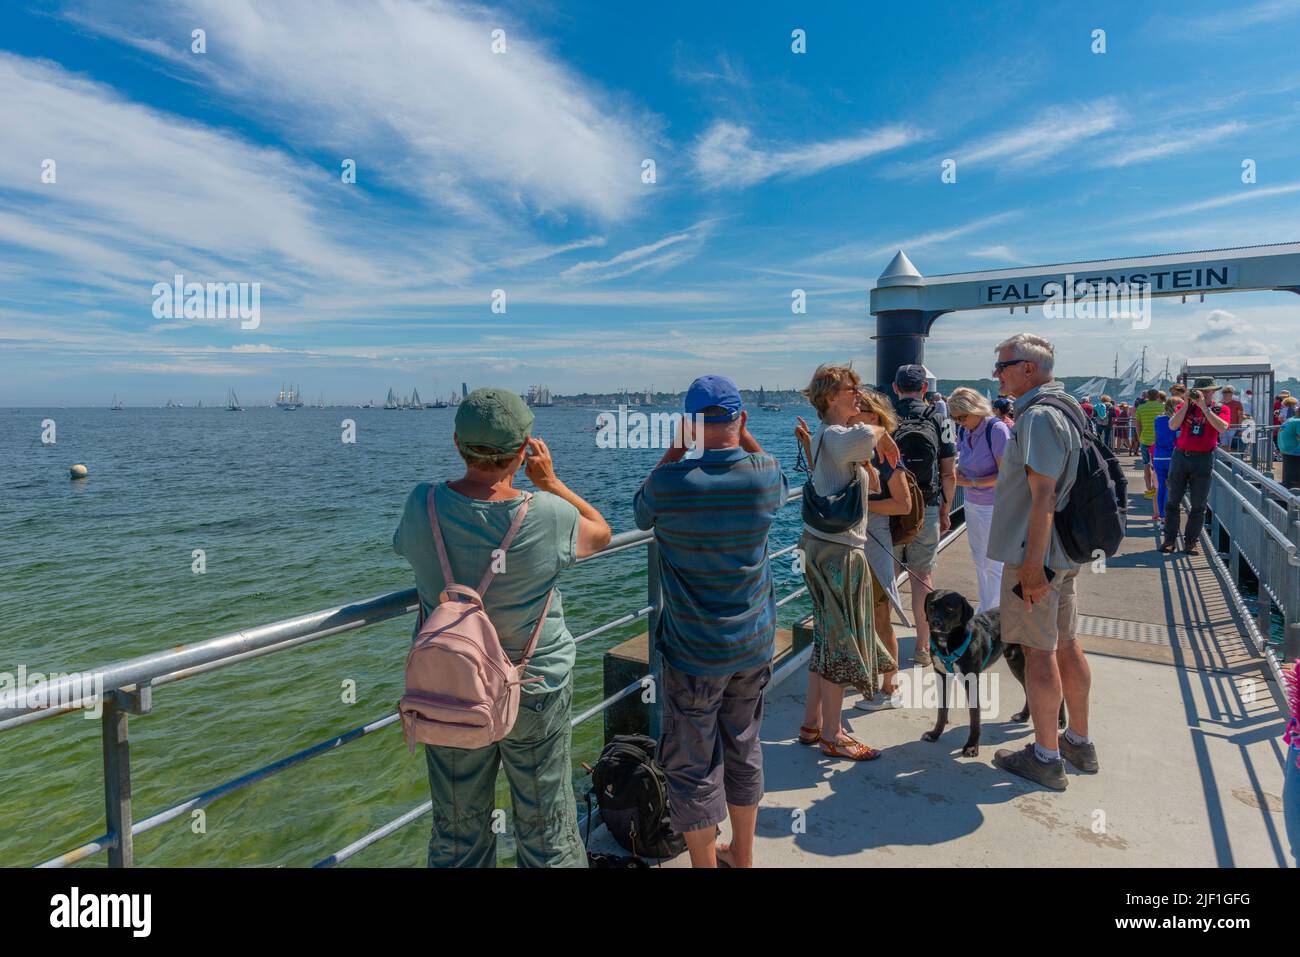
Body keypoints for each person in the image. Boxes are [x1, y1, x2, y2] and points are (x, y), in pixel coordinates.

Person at [393, 387, 612, 868]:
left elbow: (406, 549)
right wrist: (551, 482)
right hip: (534, 685)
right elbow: (602, 531)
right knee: (547, 831)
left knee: (457, 836)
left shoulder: (422, 505)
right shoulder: (550, 515)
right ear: (523, 451)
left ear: (457, 444)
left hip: (451, 688)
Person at [633, 374, 788, 869]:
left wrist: (677, 451)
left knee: (692, 767)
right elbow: (776, 477)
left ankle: (703, 865)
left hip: (694, 653)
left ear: (689, 427)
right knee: (744, 749)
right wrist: (741, 435)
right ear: (741, 420)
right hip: (752, 646)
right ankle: (742, 856)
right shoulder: (765, 475)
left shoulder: (668, 483)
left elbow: (640, 515)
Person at [987, 333, 1096, 790]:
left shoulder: (1038, 417)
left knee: (1038, 652)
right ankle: (1078, 742)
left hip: (1040, 554)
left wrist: (1032, 567)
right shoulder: (1068, 406)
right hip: (1065, 550)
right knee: (1067, 643)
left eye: (1003, 365)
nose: (997, 374)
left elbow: (1043, 496)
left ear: (1028, 368)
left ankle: (1046, 756)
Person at [795, 364, 900, 760]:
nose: (858, 393)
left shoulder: (829, 438)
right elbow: (868, 435)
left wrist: (874, 449)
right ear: (829, 397)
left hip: (823, 546)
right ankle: (834, 735)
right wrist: (883, 433)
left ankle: (811, 723)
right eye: (849, 388)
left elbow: (868, 479)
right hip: (839, 552)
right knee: (839, 643)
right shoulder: (838, 436)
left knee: (826, 638)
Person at [892, 364, 957, 667]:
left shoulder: (885, 415)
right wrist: (945, 509)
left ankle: (881, 646)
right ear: (924, 389)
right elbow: (949, 472)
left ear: (895, 388)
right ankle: (922, 648)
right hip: (927, 505)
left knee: (885, 578)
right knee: (922, 577)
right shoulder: (940, 417)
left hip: (890, 507)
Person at [949, 387, 1010, 612]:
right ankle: (988, 606)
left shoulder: (996, 430)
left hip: (993, 504)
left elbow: (1007, 474)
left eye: (962, 417)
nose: (960, 422)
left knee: (994, 562)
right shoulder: (967, 432)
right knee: (979, 559)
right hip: (973, 503)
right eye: (956, 419)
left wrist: (970, 482)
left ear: (975, 409)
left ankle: (994, 612)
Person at [1160, 377, 1229, 555]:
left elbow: (1222, 427)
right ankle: (1169, 540)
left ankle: (1191, 541)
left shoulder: (1220, 408)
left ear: (1213, 392)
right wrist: (1186, 404)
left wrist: (1204, 408)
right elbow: (1172, 425)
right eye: (1202, 391)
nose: (1204, 394)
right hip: (1181, 456)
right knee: (1173, 500)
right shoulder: (1184, 407)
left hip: (1203, 458)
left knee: (1199, 504)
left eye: (1208, 391)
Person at [1152, 399, 1177, 534]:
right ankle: (1168, 517)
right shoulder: (1176, 421)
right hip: (1172, 457)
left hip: (1158, 456)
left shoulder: (1158, 419)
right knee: (1170, 488)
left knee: (1161, 487)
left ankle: (1162, 517)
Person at [1134, 389, 1165, 497]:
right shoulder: (1163, 407)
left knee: (1146, 464)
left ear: (1147, 396)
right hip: (1159, 441)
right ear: (1158, 396)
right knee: (1157, 465)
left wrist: (1139, 437)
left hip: (1145, 440)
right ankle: (1157, 487)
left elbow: (1137, 425)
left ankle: (1149, 488)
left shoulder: (1141, 408)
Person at [1278, 410, 1300, 489]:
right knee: (1295, 480)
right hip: (1294, 451)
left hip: (1285, 449)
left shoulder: (1289, 420)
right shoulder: (1298, 421)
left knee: (1288, 478)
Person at [1219, 385, 1244, 451]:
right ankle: (1225, 460)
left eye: (1227, 393)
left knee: (1232, 446)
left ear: (1231, 394)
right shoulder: (1219, 404)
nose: (1225, 394)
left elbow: (1240, 416)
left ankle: (1230, 460)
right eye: (1224, 393)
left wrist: (1239, 429)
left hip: (1233, 428)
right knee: (1224, 445)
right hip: (1222, 428)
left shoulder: (1237, 404)